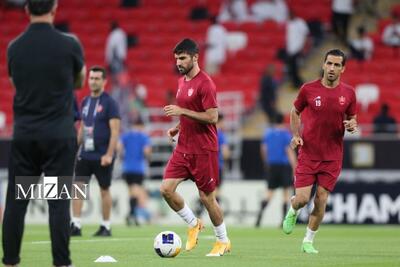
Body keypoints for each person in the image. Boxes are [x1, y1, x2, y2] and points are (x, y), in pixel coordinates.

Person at [3, 0, 86, 266]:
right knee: (58, 202)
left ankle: (12, 260)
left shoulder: (14, 47)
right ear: (55, 8)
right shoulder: (69, 44)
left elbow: (16, 81)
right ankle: (61, 262)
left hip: (26, 136)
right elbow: (80, 80)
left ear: (27, 10)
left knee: (17, 201)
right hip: (59, 136)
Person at [282, 49, 357, 254]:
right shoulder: (308, 89)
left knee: (321, 198)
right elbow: (295, 111)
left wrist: (351, 124)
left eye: (336, 65)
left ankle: (308, 241)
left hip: (332, 156)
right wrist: (296, 134)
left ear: (343, 68)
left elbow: (352, 118)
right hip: (308, 153)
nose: (332, 68)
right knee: (303, 199)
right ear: (323, 65)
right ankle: (294, 208)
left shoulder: (349, 93)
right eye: (329, 64)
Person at [161, 38, 231, 256]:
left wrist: (182, 112)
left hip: (204, 150)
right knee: (166, 189)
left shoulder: (205, 83)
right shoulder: (182, 82)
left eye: (182, 58)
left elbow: (212, 117)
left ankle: (223, 240)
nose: (179, 63)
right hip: (183, 148)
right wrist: (177, 127)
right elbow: (190, 112)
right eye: (176, 59)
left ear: (195, 57)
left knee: (207, 198)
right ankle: (193, 223)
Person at [71, 66, 121, 237]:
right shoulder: (85, 101)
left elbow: (115, 131)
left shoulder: (110, 103)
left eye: (97, 78)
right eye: (91, 78)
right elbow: (82, 127)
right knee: (78, 187)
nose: (93, 81)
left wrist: (109, 154)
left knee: (104, 189)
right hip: (85, 153)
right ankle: (76, 224)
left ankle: (105, 226)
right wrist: (75, 149)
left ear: (104, 81)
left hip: (102, 155)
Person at [255, 113, 296, 227]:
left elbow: (263, 149)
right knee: (286, 194)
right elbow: (289, 151)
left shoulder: (268, 133)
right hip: (284, 166)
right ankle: (283, 221)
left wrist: (266, 162)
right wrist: (294, 167)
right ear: (283, 121)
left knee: (269, 193)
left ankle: (259, 216)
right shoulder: (286, 135)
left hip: (272, 166)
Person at [195, 114, 230, 217]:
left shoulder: (206, 132)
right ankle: (216, 218)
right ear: (221, 122)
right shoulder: (221, 135)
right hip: (217, 167)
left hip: (205, 167)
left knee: (205, 192)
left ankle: (199, 215)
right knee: (216, 192)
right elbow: (225, 152)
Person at [118, 118, 152, 225]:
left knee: (131, 192)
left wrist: (123, 157)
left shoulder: (126, 135)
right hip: (138, 168)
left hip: (127, 168)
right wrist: (148, 159)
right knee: (136, 193)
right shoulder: (143, 136)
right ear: (141, 126)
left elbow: (118, 147)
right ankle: (132, 215)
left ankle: (132, 215)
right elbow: (147, 151)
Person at [286, 10, 309, 88]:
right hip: (290, 49)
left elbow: (306, 34)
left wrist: (304, 46)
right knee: (292, 68)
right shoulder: (288, 23)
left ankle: (298, 83)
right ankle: (296, 83)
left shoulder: (300, 22)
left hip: (298, 48)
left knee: (295, 67)